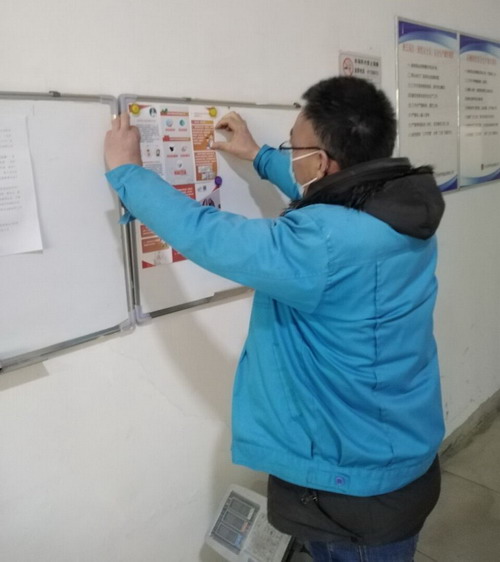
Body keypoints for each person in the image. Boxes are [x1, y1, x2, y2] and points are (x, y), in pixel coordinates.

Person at [104, 76, 445, 562]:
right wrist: (259, 156)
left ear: (321, 161)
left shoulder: (323, 243)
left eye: (293, 148)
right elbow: (332, 190)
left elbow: (211, 235)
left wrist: (128, 173)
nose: (292, 157)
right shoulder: (398, 211)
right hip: (398, 452)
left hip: (355, 488)